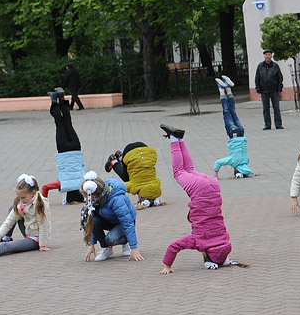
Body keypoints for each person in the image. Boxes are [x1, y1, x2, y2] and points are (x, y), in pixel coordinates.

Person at [158, 124, 244, 273]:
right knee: (178, 172)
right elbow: (173, 247)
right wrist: (167, 266)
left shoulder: (224, 237)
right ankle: (174, 139)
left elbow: (223, 249)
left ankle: (179, 138)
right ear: (207, 255)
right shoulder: (199, 241)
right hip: (199, 190)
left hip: (214, 187)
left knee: (189, 170)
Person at [0, 175, 51, 258]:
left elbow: (43, 225)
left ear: (33, 193)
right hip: (29, 232)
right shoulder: (22, 203)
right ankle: (6, 238)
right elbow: (8, 222)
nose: (21, 200)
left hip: (37, 239)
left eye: (23, 198)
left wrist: (43, 245)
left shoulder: (41, 204)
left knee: (5, 246)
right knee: (13, 207)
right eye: (19, 198)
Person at [80, 174, 144, 262]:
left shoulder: (117, 199)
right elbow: (91, 221)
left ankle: (126, 244)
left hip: (123, 223)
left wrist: (134, 248)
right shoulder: (96, 200)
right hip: (110, 220)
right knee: (94, 220)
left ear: (93, 196)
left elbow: (128, 223)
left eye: (85, 196)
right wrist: (91, 244)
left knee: (110, 239)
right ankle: (106, 249)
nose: (85, 199)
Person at [48, 88, 85, 204]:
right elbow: (45, 188)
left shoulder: (82, 182)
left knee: (68, 122)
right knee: (59, 124)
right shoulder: (62, 183)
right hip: (63, 149)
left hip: (76, 148)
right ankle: (54, 100)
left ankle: (62, 97)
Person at [212, 76, 253, 179]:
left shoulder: (246, 160)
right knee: (226, 111)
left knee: (233, 110)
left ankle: (228, 88)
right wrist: (215, 176)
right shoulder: (233, 161)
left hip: (241, 132)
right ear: (236, 169)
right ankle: (221, 89)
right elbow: (218, 163)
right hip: (233, 133)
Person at [105, 141, 165, 209]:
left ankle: (121, 157)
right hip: (129, 152)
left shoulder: (156, 183)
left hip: (145, 149)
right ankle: (114, 161)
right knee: (126, 178)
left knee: (140, 165)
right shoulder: (134, 186)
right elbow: (120, 186)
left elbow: (158, 180)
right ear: (140, 196)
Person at [254, 49, 284, 130]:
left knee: (276, 108)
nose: (267, 56)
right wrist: (258, 88)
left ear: (271, 56)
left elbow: (280, 78)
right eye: (266, 55)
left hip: (274, 90)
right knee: (265, 109)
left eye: (269, 54)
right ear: (264, 56)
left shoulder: (275, 66)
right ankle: (267, 124)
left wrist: (279, 88)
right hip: (264, 91)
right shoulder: (260, 66)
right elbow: (257, 78)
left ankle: (278, 124)